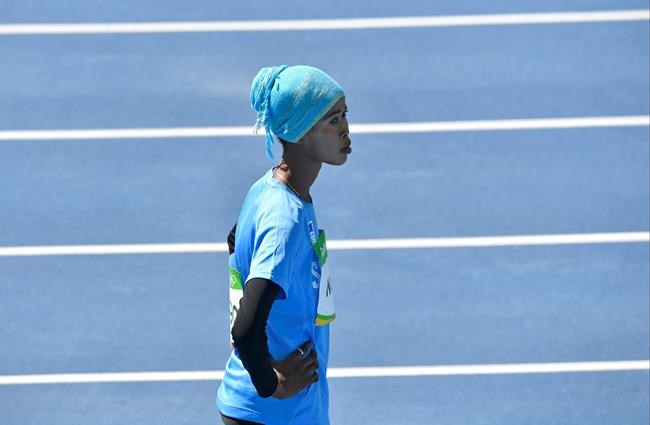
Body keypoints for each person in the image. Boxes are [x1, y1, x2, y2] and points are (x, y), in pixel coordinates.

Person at [216, 64, 351, 425]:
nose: (345, 130)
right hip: (274, 415)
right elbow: (245, 328)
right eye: (333, 120)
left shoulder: (272, 190)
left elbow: (235, 245)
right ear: (303, 131)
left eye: (344, 115)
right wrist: (271, 384)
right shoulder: (285, 219)